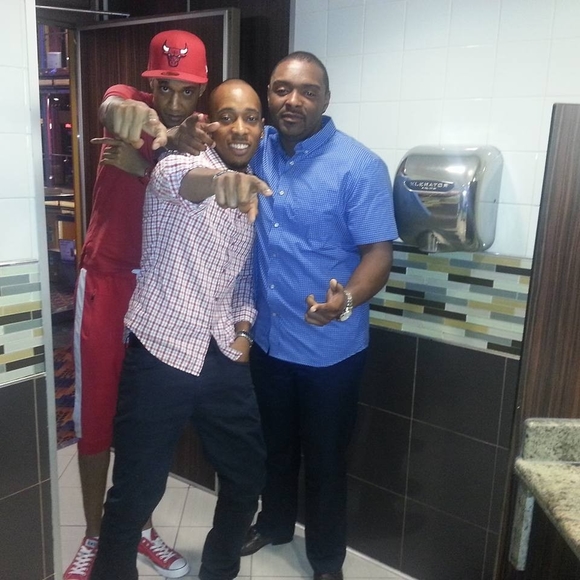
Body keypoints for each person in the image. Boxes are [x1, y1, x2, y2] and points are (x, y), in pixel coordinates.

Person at [210, 52, 398, 580]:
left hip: (329, 351)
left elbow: (378, 255)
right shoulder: (257, 147)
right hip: (268, 340)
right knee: (273, 448)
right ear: (269, 95)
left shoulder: (358, 166)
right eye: (281, 89)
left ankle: (326, 560)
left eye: (307, 91)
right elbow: (201, 139)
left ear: (326, 99)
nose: (293, 100)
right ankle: (274, 524)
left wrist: (347, 302)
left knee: (325, 461)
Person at [88, 79, 270, 580]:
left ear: (261, 129)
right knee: (135, 491)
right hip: (160, 351)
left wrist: (243, 330)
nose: (240, 128)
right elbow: (191, 184)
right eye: (227, 116)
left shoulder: (251, 193)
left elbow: (239, 279)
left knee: (247, 475)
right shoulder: (175, 165)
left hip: (219, 354)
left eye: (251, 118)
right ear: (208, 124)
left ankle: (218, 570)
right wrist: (220, 182)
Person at [65, 30, 216, 580]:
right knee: (96, 417)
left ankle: (138, 528)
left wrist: (154, 162)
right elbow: (115, 107)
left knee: (147, 422)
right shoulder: (130, 101)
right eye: (165, 87)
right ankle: (94, 534)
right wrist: (138, 123)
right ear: (150, 82)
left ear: (201, 93)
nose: (174, 100)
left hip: (160, 289)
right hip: (107, 280)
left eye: (186, 91)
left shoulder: (199, 139)